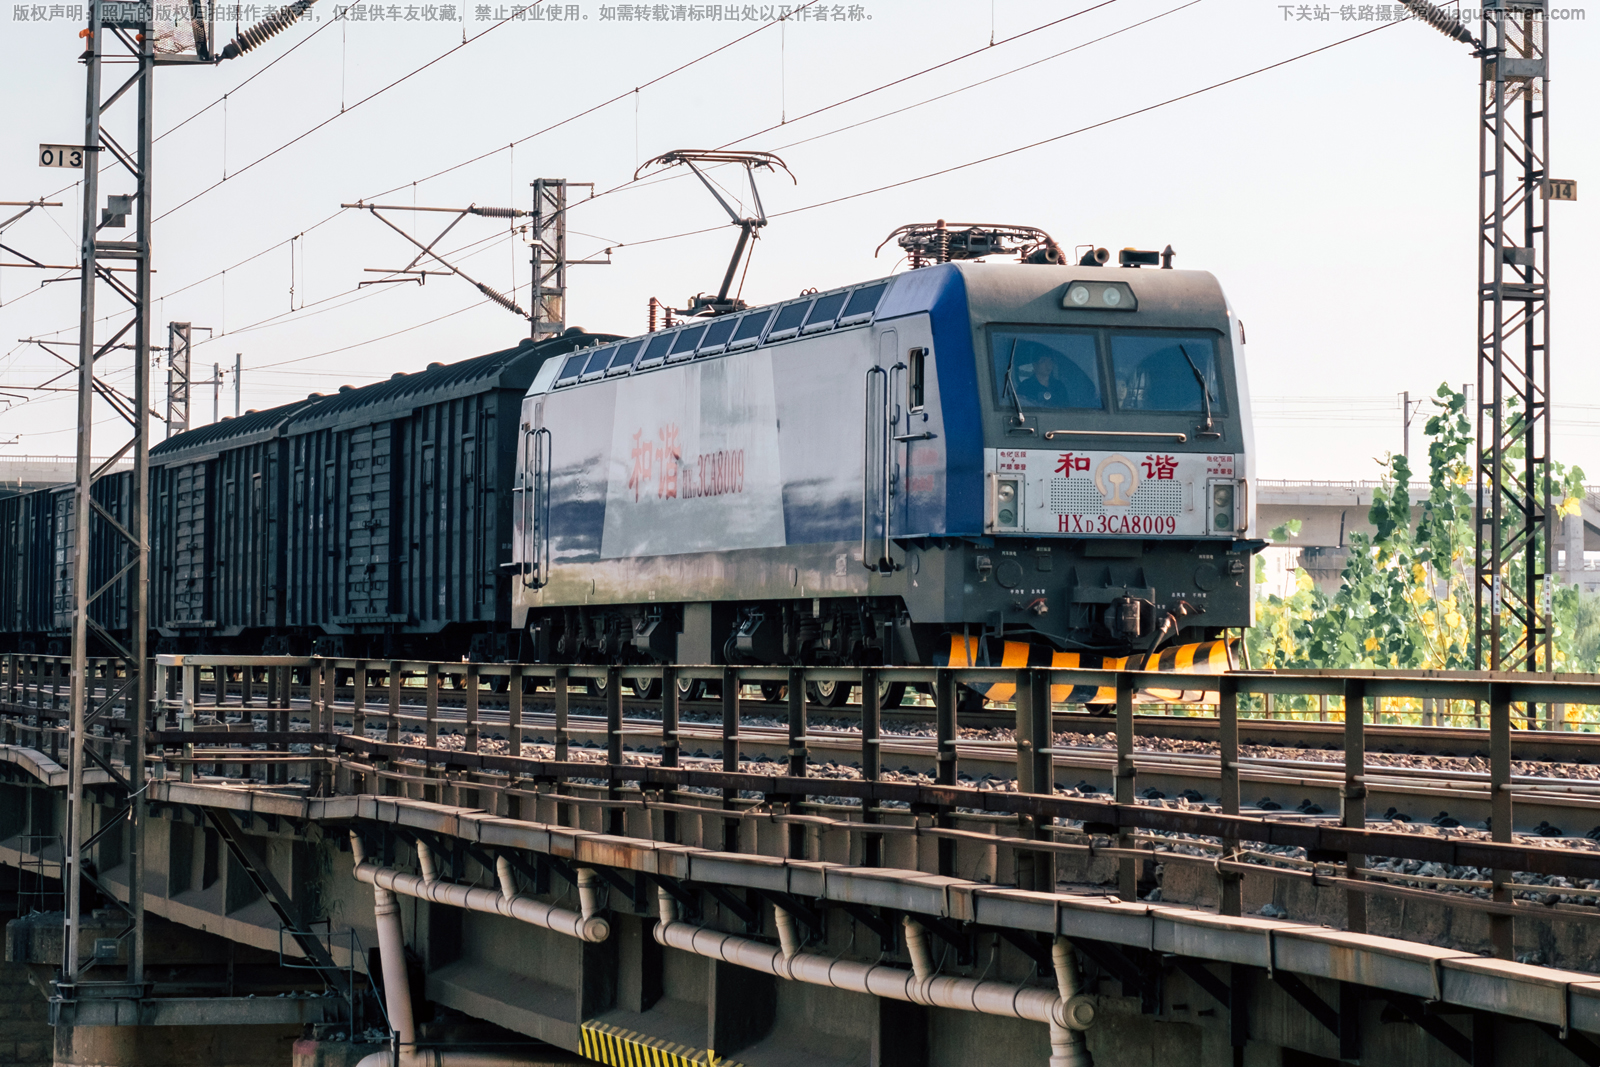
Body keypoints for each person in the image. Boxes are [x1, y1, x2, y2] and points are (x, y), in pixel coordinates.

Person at [1014, 348, 1098, 408]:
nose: (1048, 365)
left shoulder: (1059, 386)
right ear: (1035, 364)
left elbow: (1065, 408)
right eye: (1043, 361)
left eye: (1050, 361)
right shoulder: (1025, 386)